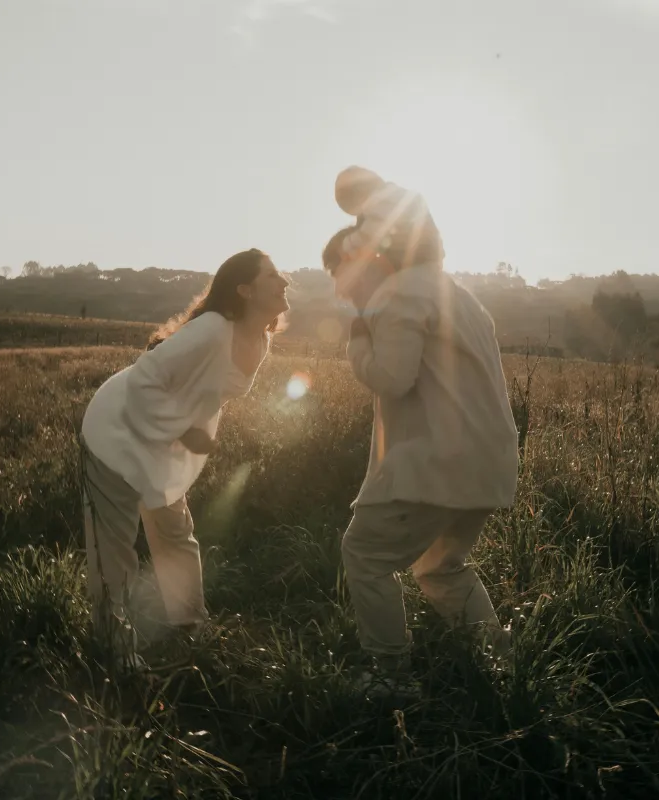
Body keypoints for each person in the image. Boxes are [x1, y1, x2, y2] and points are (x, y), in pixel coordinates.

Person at [321, 221, 519, 696]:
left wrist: (359, 341)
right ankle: (501, 667)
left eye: (337, 272)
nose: (338, 288)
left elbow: (392, 378)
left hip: (434, 463)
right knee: (440, 568)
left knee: (365, 554)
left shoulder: (397, 295)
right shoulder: (461, 296)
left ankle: (391, 674)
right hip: (486, 463)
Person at [79, 249, 289, 664]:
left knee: (175, 533)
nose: (285, 282)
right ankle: (115, 651)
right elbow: (144, 378)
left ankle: (192, 631)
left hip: (161, 438)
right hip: (116, 428)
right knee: (114, 545)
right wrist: (187, 430)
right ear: (244, 290)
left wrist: (181, 433)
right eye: (273, 275)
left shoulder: (258, 339)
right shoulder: (213, 328)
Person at [334, 165, 443, 265]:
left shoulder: (386, 198)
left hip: (419, 267)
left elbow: (372, 232)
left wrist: (346, 245)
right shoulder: (390, 197)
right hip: (425, 263)